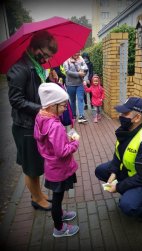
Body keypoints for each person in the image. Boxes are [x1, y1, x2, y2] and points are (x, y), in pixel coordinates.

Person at [7, 30, 58, 211]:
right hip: (24, 126)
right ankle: (36, 199)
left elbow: (37, 92)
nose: (45, 59)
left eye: (48, 57)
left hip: (34, 124)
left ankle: (38, 194)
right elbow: (16, 100)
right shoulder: (19, 69)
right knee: (31, 167)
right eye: (44, 55)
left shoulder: (35, 66)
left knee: (36, 164)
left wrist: (49, 80)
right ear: (35, 48)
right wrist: (40, 110)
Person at [95, 97, 142, 222]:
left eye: (125, 113)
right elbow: (118, 154)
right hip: (131, 171)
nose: (120, 115)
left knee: (128, 205)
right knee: (100, 171)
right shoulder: (127, 130)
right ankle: (130, 192)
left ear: (137, 118)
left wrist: (118, 187)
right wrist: (113, 172)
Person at [34, 82, 80, 237]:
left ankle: (60, 213)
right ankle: (59, 228)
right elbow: (62, 152)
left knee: (56, 197)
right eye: (62, 105)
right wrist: (74, 142)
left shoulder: (41, 117)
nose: (65, 109)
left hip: (51, 167)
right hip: (60, 169)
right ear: (52, 106)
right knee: (57, 199)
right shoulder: (55, 125)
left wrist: (63, 139)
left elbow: (48, 142)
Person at [63, 52, 88, 123]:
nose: (77, 55)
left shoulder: (81, 59)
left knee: (80, 98)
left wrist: (85, 76)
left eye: (78, 53)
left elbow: (86, 69)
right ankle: (73, 114)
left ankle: (81, 116)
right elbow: (67, 72)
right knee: (73, 100)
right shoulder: (66, 60)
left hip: (80, 83)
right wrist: (78, 74)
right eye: (75, 53)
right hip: (70, 84)